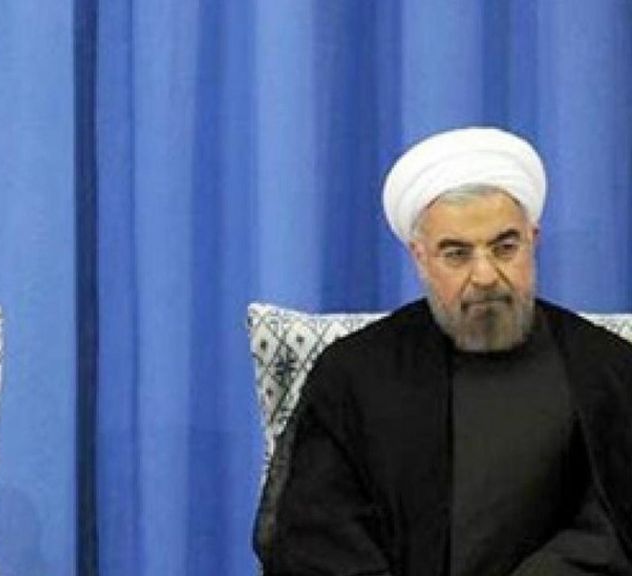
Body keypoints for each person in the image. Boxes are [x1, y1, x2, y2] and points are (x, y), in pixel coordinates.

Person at [257, 127, 632, 575]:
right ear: (420, 257)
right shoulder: (354, 374)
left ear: (534, 240)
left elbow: (616, 526)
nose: (485, 275)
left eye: (505, 247)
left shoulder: (605, 367)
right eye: (456, 254)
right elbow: (315, 538)